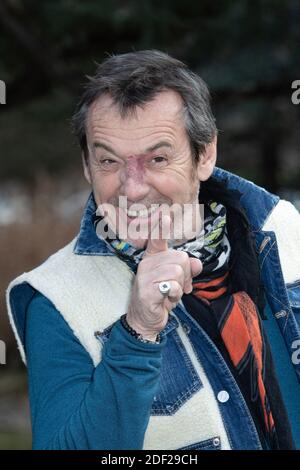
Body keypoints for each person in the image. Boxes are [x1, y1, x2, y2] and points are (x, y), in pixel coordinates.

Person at [6, 50, 300, 450]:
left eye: (158, 158)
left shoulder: (285, 231)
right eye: (109, 161)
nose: (132, 187)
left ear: (205, 154)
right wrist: (139, 330)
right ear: (87, 166)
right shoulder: (55, 299)